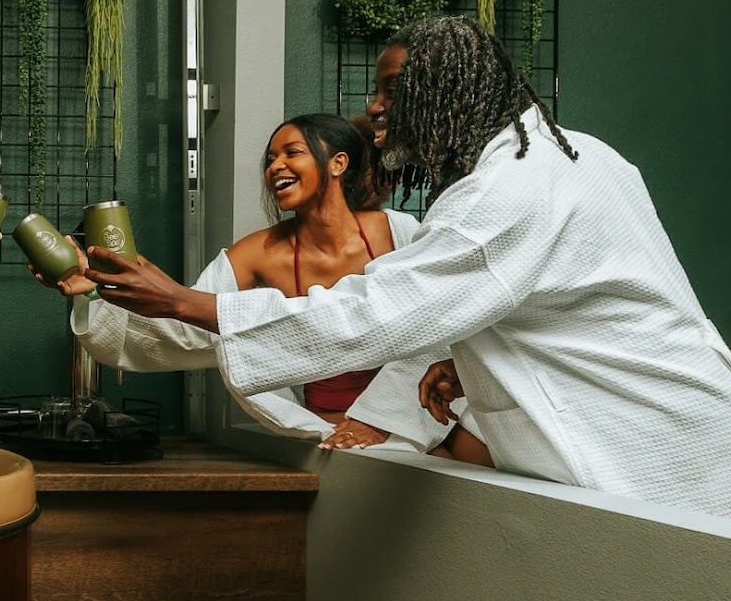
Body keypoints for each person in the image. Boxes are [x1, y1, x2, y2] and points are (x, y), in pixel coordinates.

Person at [78, 16, 731, 526]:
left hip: (655, 444)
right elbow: (575, 304)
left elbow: (378, 312)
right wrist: (472, 362)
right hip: (659, 428)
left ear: (447, 90)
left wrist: (188, 303)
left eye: (390, 89)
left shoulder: (511, 189)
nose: (375, 108)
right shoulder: (571, 154)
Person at [48, 112, 480, 458]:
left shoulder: (398, 232)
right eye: (270, 159)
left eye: (292, 152)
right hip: (331, 434)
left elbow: (437, 326)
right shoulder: (257, 253)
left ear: (338, 162)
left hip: (417, 415)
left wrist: (389, 418)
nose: (275, 167)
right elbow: (186, 323)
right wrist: (93, 289)